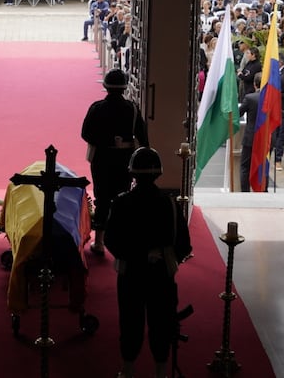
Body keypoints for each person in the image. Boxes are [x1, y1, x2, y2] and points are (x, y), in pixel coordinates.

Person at [105, 147, 192, 378]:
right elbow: (184, 245)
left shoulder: (121, 203)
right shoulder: (170, 205)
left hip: (130, 273)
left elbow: (111, 240)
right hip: (161, 274)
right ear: (158, 173)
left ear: (132, 173)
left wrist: (137, 256)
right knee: (161, 323)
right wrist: (163, 256)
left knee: (130, 322)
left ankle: (127, 368)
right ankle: (161, 371)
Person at [81, 68, 149, 255]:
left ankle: (100, 242)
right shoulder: (132, 109)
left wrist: (105, 141)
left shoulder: (96, 108)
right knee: (123, 196)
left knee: (102, 198)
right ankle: (123, 238)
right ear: (125, 87)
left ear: (106, 87)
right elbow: (143, 137)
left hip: (102, 159)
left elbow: (85, 133)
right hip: (125, 159)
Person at [238, 72, 262, 192]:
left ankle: (245, 192)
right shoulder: (272, 99)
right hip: (266, 137)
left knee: (245, 166)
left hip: (251, 137)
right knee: (263, 165)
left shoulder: (250, 98)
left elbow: (239, 113)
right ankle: (263, 190)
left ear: (254, 84)